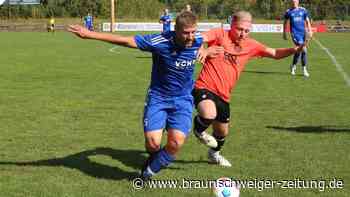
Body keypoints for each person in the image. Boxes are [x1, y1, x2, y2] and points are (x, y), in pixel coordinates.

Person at [68, 11, 203, 179]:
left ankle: (146, 174)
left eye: (193, 32)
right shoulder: (159, 41)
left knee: (175, 143)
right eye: (186, 33)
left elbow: (212, 40)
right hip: (159, 98)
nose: (191, 37)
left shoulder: (199, 40)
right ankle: (155, 158)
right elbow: (126, 40)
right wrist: (90, 34)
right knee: (153, 143)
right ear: (176, 30)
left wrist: (208, 50)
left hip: (183, 100)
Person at [194, 11, 308, 167]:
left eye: (247, 31)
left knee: (222, 133)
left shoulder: (251, 45)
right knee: (209, 114)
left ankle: (214, 154)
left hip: (224, 95)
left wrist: (294, 50)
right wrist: (203, 49)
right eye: (240, 29)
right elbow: (199, 37)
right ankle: (198, 131)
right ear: (232, 25)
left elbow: (274, 53)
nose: (243, 34)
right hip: (205, 87)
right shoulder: (220, 34)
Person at [283, 0, 313, 77]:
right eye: (293, 1)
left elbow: (307, 20)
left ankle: (293, 66)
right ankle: (304, 69)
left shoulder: (303, 10)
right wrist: (284, 33)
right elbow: (285, 22)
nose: (294, 3)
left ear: (298, 2)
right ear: (291, 2)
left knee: (298, 51)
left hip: (303, 34)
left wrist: (310, 30)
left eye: (295, 1)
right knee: (304, 50)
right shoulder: (288, 12)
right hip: (295, 34)